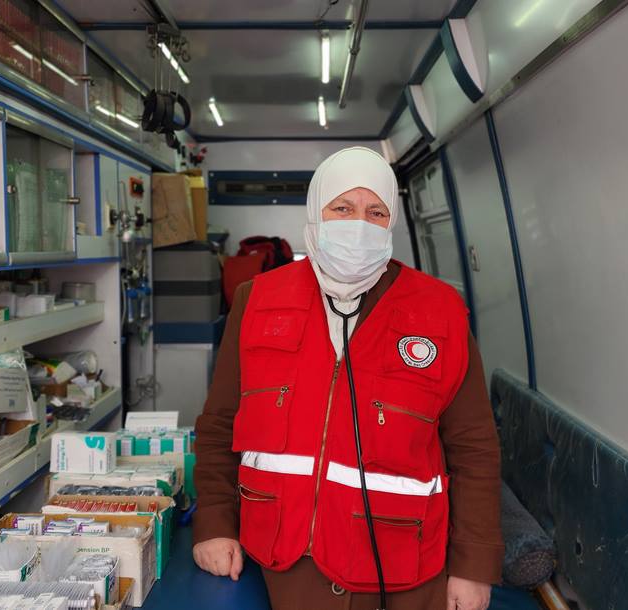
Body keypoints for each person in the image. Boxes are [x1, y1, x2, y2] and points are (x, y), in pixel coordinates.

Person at [192, 146, 503, 610]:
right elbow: (219, 425)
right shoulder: (255, 301)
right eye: (342, 208)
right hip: (284, 565)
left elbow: (474, 446)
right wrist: (214, 524)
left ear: (391, 221)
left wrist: (474, 566)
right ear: (316, 213)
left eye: (375, 211)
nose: (358, 224)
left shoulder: (441, 312)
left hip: (408, 571)